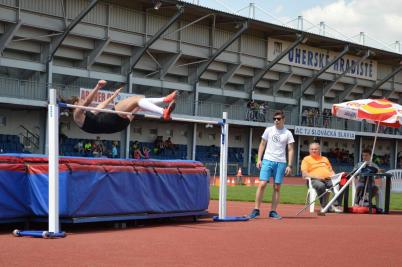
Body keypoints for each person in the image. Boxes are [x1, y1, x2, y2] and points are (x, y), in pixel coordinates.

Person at [70, 80, 177, 134]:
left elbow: (102, 105)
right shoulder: (77, 115)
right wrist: (98, 86)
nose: (82, 101)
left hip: (118, 126)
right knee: (136, 100)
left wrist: (113, 95)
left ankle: (164, 101)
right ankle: (163, 110)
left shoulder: (85, 116)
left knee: (139, 102)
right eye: (80, 100)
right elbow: (88, 101)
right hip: (111, 120)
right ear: (75, 105)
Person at [248, 110, 294, 220]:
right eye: (274, 119)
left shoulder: (288, 133)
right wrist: (259, 159)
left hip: (281, 162)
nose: (276, 121)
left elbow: (291, 149)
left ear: (283, 119)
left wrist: (290, 165)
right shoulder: (269, 130)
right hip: (267, 160)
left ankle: (273, 211)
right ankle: (256, 210)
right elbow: (262, 144)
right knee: (262, 184)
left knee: (277, 187)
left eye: (278, 119)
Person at [301, 142, 342, 213]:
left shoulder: (325, 159)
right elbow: (304, 174)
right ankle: (325, 206)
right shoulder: (306, 159)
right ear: (309, 150)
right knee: (321, 185)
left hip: (328, 179)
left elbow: (331, 171)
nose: (314, 151)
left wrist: (336, 177)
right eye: (312, 149)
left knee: (341, 183)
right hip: (314, 180)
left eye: (316, 149)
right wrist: (316, 176)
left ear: (319, 150)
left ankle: (334, 205)